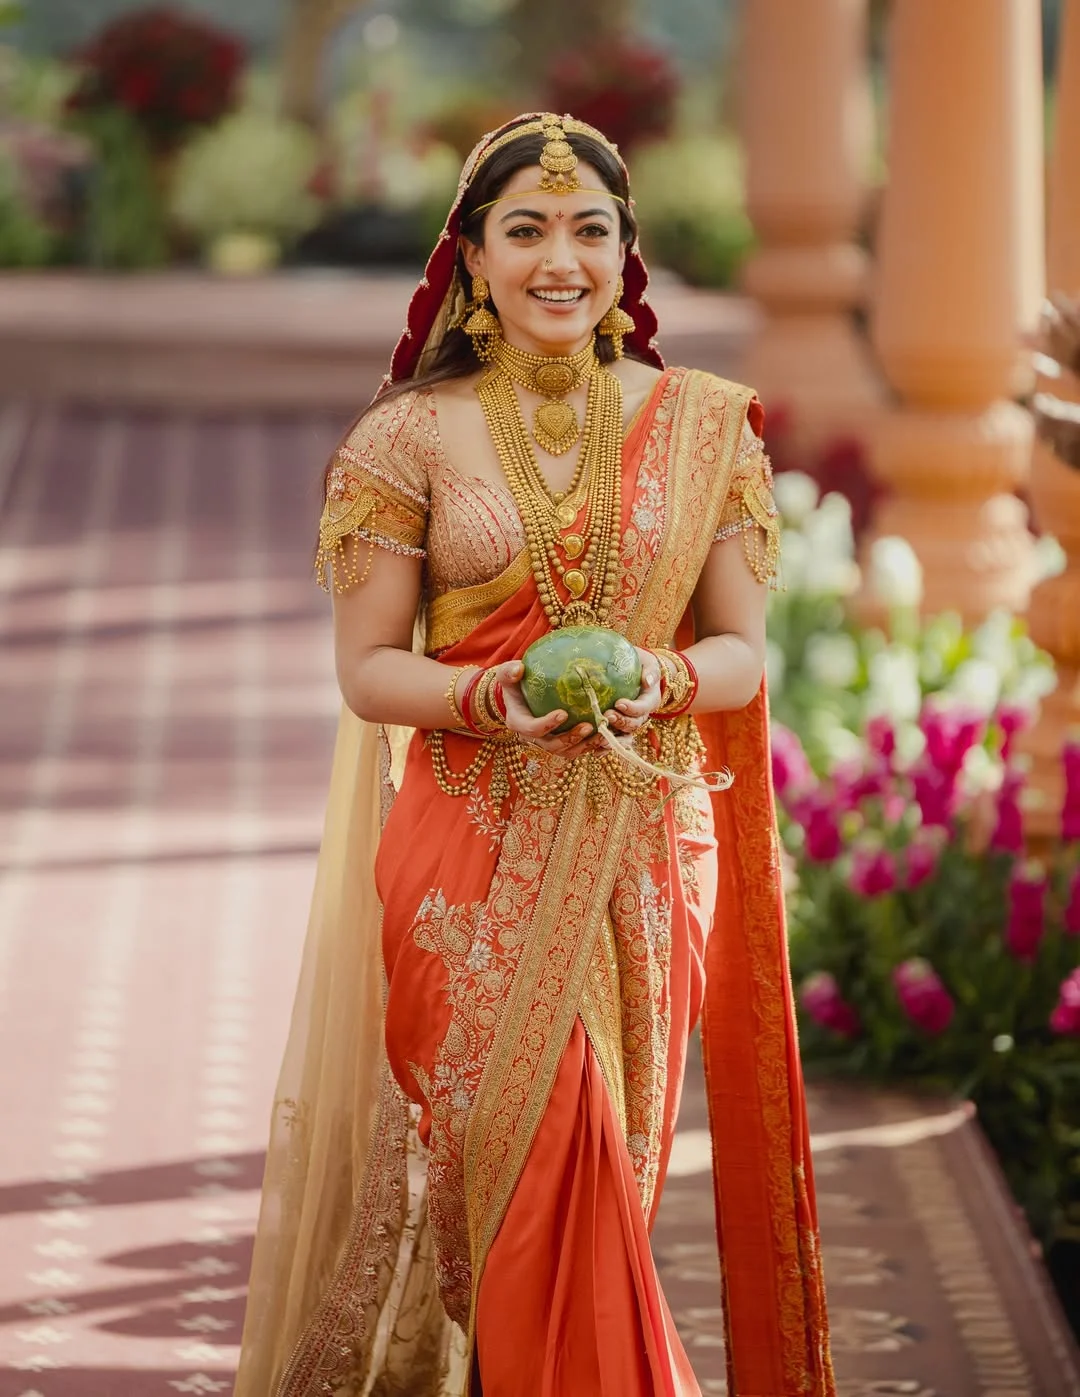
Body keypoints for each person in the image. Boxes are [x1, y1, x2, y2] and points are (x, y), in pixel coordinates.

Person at [234, 112, 835, 1397]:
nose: (560, 259)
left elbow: (741, 653)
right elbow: (369, 668)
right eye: (526, 230)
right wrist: (488, 696)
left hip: (641, 841)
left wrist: (663, 679)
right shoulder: (407, 436)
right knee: (532, 1149)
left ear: (626, 253)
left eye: (588, 230)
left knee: (606, 1166)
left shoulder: (708, 426)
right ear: (472, 257)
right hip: (468, 834)